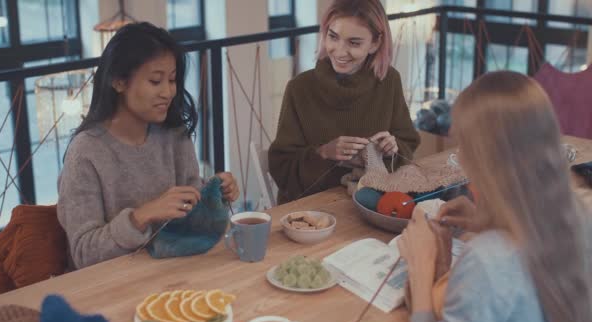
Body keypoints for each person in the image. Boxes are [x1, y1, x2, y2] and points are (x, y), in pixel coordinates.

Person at [398, 71, 592, 322]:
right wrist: (487, 220)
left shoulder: (487, 261)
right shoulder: (581, 212)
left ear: (487, 161)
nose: (461, 157)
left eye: (464, 145)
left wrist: (421, 268)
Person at [57, 22, 239, 269]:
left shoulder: (174, 135)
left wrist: (214, 193)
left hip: (174, 271)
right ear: (119, 82)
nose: (168, 92)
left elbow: (191, 217)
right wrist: (140, 217)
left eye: (172, 80)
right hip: (112, 285)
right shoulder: (86, 153)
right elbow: (84, 253)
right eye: (155, 81)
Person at [268, 0, 420, 204]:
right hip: (310, 210)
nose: (339, 51)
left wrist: (393, 148)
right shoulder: (299, 88)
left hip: (372, 203)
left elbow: (407, 144)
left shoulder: (389, 81)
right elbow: (281, 168)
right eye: (333, 37)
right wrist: (323, 153)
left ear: (375, 43)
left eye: (354, 43)